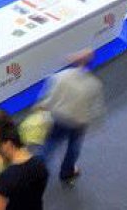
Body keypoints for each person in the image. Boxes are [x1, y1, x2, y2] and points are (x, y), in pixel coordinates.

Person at [37, 50, 104, 185]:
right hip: (79, 123)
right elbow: (96, 110)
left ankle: (35, 173)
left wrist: (41, 111)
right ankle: (67, 173)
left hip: (59, 119)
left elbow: (48, 100)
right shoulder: (94, 85)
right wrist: (95, 124)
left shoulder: (60, 77)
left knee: (49, 146)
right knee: (73, 148)